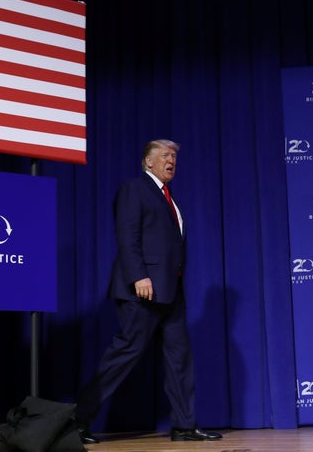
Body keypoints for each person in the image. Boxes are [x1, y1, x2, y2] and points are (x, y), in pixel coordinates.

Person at [73, 139, 222, 443]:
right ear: (149, 162)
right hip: (142, 290)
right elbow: (127, 236)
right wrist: (139, 276)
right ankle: (76, 422)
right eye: (166, 156)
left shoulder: (168, 196)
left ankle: (184, 425)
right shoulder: (134, 188)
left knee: (180, 359)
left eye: (175, 158)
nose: (172, 162)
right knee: (124, 354)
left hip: (171, 292)